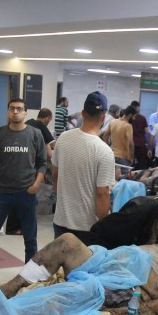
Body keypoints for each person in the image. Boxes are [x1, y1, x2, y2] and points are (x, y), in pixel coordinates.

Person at [0, 230, 158, 315]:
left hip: (126, 286)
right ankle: (11, 287)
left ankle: (17, 314)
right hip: (105, 261)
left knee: (64, 297)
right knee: (67, 241)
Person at [0, 97, 47, 265]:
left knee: (30, 238)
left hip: (26, 193)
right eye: (12, 108)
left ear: (26, 112)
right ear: (8, 112)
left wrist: (36, 184)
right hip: (2, 193)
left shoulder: (35, 134)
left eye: (19, 109)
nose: (15, 112)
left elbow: (42, 163)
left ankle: (30, 274)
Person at [52, 91, 114, 243]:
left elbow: (55, 175)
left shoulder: (63, 138)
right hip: (87, 227)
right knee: (87, 260)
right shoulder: (104, 151)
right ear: (103, 117)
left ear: (83, 113)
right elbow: (102, 194)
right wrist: (103, 225)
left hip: (61, 221)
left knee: (62, 258)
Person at [129, 101, 150, 170]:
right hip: (140, 143)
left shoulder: (128, 117)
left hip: (130, 142)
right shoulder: (142, 118)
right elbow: (146, 131)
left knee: (129, 163)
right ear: (137, 107)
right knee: (142, 163)